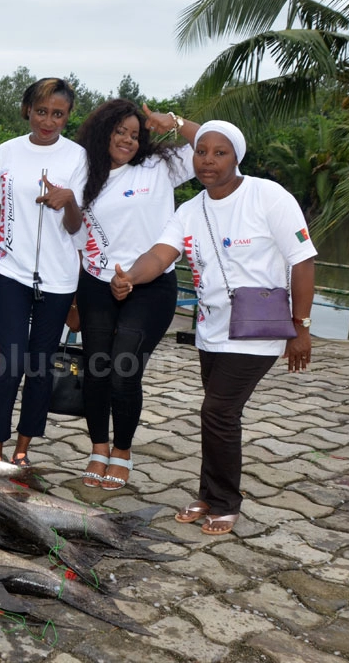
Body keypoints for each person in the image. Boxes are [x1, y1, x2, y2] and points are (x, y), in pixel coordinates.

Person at [110, 120, 316, 535]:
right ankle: (208, 494)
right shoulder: (190, 209)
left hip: (260, 328)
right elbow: (161, 253)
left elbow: (303, 259)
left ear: (236, 157)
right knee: (218, 415)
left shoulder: (267, 196)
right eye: (201, 151)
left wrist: (301, 327)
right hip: (212, 328)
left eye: (219, 153)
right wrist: (131, 275)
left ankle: (224, 501)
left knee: (218, 411)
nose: (207, 160)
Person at [73, 99, 199, 490]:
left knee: (124, 368)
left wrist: (175, 121)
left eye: (135, 133)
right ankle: (98, 447)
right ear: (102, 132)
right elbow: (74, 236)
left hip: (151, 284)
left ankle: (123, 451)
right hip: (95, 282)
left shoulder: (159, 166)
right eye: (119, 131)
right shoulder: (82, 173)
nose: (127, 140)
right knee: (96, 368)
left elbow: (218, 142)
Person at [0, 77, 86, 466]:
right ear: (28, 109)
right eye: (41, 111)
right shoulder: (5, 152)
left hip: (59, 278)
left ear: (67, 116)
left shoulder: (78, 157)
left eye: (57, 114)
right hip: (12, 273)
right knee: (11, 364)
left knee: (41, 366)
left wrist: (69, 200)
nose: (48, 121)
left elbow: (77, 227)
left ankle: (22, 450)